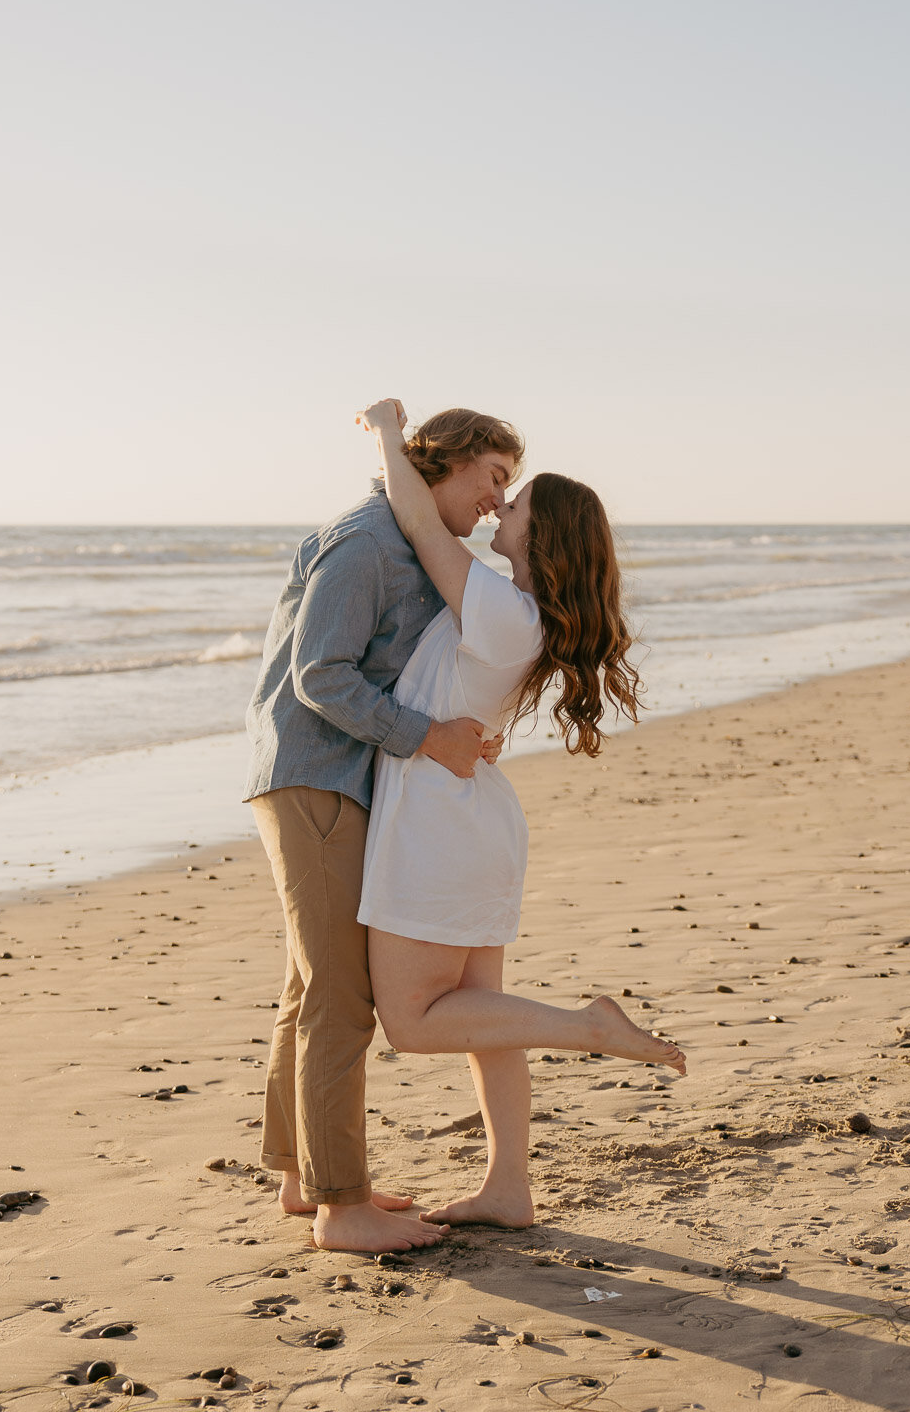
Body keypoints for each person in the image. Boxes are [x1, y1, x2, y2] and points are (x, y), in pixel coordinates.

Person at [358, 399, 686, 1231]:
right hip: (471, 822)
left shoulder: (503, 611)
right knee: (482, 1021)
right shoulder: (516, 615)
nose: (500, 508)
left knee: (412, 1022)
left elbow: (418, 524)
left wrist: (388, 434)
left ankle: (585, 1026)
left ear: (544, 536)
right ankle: (508, 1187)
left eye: (517, 500)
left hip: (437, 827)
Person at [243, 407, 526, 1252]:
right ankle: (341, 1206)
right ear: (444, 462)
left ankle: (300, 1176)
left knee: (309, 985)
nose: (494, 500)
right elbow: (319, 675)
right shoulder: (369, 541)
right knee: (340, 992)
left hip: (332, 778)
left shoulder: (403, 539)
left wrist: (455, 726)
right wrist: (426, 739)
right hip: (316, 776)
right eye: (493, 477)